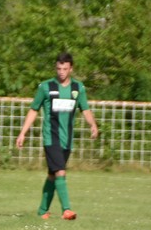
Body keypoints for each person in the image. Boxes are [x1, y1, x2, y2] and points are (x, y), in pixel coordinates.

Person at [16, 52, 99, 220]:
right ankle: (66, 210)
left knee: (52, 175)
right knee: (60, 171)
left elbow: (85, 109)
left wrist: (93, 125)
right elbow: (34, 109)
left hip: (67, 139)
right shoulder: (46, 87)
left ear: (71, 69)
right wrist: (23, 132)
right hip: (51, 137)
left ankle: (42, 210)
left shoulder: (78, 88)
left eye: (65, 69)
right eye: (58, 68)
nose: (61, 72)